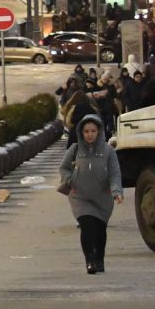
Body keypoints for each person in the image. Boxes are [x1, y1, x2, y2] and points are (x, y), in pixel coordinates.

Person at [59, 114, 122, 275]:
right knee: (87, 227)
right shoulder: (75, 149)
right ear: (81, 132)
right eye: (86, 131)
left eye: (93, 131)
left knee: (100, 230)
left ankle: (99, 259)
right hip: (80, 196)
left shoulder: (108, 151)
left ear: (99, 131)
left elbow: (115, 173)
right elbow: (64, 168)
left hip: (103, 197)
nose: (89, 134)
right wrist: (69, 180)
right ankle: (90, 261)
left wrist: (116, 191)